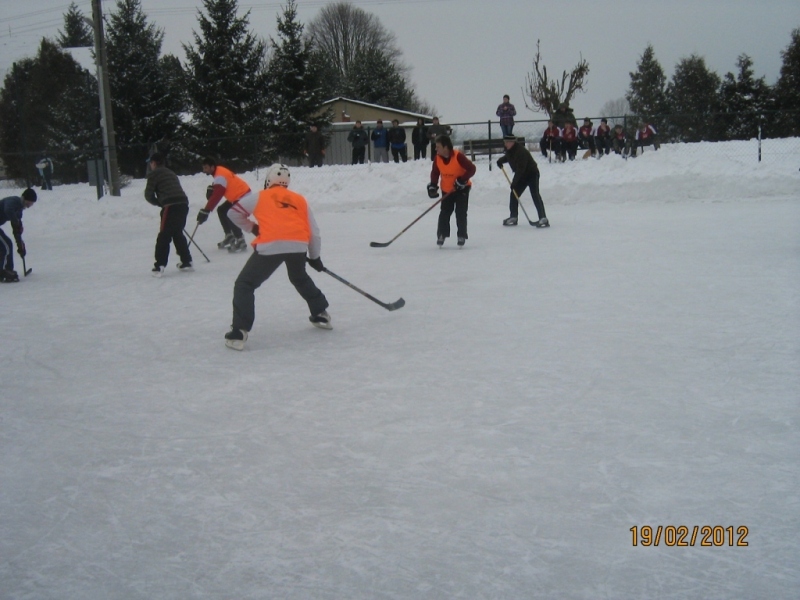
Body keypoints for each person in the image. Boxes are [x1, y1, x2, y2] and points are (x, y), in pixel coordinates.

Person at [223, 163, 331, 350]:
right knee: (299, 277)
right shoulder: (299, 200)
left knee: (245, 284)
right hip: (298, 245)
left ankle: (239, 331)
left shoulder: (259, 196)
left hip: (270, 244)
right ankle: (320, 313)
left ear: (268, 180)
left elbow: (232, 213)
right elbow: (314, 232)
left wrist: (252, 227)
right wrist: (315, 257)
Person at [144, 153, 193, 277]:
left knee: (164, 235)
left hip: (170, 206)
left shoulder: (153, 174)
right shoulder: (171, 173)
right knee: (177, 232)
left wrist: (160, 203)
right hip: (183, 204)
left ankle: (159, 265)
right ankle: (186, 261)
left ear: (154, 163)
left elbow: (148, 195)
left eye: (151, 163)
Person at [197, 157, 255, 252]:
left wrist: (206, 210)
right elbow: (221, 185)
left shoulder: (219, 175)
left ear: (212, 167)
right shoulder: (219, 171)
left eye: (206, 168)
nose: (204, 170)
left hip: (242, 195)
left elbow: (218, 195)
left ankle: (240, 239)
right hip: (237, 195)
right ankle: (229, 235)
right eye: (203, 168)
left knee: (230, 213)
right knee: (222, 210)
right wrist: (213, 188)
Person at [428, 134, 476, 247]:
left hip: (462, 189)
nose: (436, 149)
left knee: (460, 212)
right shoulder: (437, 158)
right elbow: (435, 172)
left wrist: (462, 180)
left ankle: (461, 235)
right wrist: (433, 185)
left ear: (445, 147)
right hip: (447, 189)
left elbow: (472, 169)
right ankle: (442, 234)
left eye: (438, 146)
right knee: (445, 212)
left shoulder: (458, 156)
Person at [496, 135, 549, 228]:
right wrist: (500, 161)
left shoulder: (521, 152)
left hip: (532, 174)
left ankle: (543, 218)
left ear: (512, 142)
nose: (505, 144)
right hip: (523, 175)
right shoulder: (511, 150)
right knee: (514, 194)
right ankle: (513, 217)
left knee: (535, 194)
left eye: (506, 142)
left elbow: (521, 169)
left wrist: (514, 182)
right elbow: (508, 157)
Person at [0, 188, 36, 283]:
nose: (30, 205)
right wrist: (16, 221)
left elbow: (16, 230)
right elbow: (7, 209)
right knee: (5, 246)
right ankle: (1, 272)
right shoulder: (13, 201)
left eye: (32, 203)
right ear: (24, 199)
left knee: (8, 244)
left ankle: (8, 269)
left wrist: (20, 245)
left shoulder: (19, 211)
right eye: (30, 202)